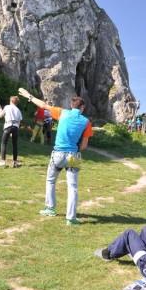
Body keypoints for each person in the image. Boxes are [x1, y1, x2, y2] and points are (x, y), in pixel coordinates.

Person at [18, 88, 93, 225]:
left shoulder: (62, 113)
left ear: (71, 105)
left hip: (58, 154)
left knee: (51, 181)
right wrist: (76, 149)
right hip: (73, 155)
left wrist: (28, 95)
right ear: (82, 108)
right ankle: (71, 218)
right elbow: (84, 145)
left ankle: (50, 208)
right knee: (73, 187)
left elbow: (43, 105)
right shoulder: (86, 122)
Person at [0, 95, 23, 168]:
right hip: (15, 127)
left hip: (8, 126)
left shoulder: (7, 107)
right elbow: (18, 122)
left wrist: (0, 111)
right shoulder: (18, 110)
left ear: (11, 101)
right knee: (15, 145)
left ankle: (3, 161)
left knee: (4, 143)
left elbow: (0, 116)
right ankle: (15, 162)